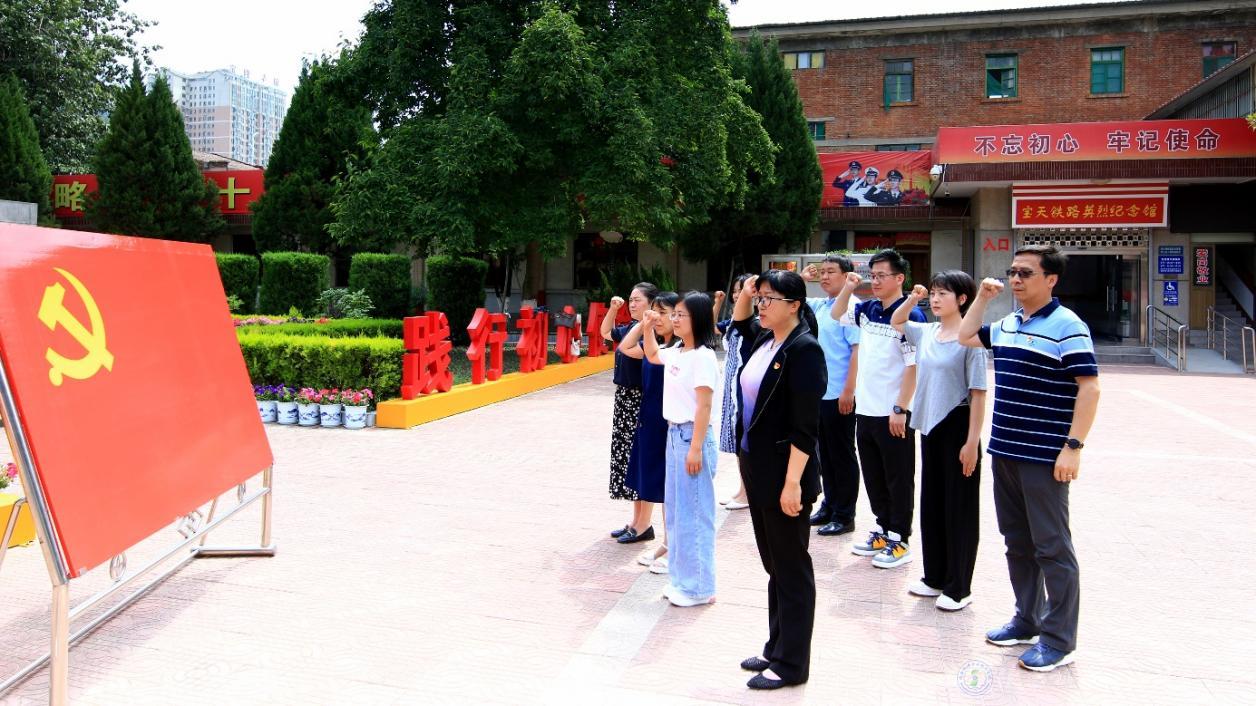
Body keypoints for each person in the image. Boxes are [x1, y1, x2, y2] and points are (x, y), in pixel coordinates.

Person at [959, 245, 1099, 673]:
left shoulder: (1068, 325)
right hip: (1005, 450)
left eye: (1026, 273)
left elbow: (1089, 387)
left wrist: (1072, 447)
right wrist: (983, 298)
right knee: (1017, 542)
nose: (1016, 279)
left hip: (1043, 457)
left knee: (1051, 547)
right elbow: (966, 335)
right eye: (1013, 272)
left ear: (1051, 279)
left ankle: (1059, 640)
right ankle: (1027, 619)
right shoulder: (1007, 324)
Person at [730, 270, 825, 691]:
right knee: (775, 565)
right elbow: (738, 322)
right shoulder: (765, 340)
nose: (761, 305)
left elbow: (806, 427)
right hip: (759, 466)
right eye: (760, 298)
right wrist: (751, 291)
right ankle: (776, 647)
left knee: (791, 568)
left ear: (795, 305)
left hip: (787, 474)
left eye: (770, 299)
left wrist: (793, 484)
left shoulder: (804, 350)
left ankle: (792, 664)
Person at [890, 273, 987, 611]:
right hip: (929, 425)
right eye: (933, 293)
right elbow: (897, 321)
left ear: (962, 299)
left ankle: (959, 587)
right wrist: (912, 298)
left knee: (959, 507)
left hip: (958, 426)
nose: (934, 299)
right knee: (932, 503)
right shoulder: (927, 331)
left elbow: (978, 394)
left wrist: (972, 442)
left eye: (942, 293)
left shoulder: (970, 340)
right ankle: (934, 577)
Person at [831, 248, 925, 568]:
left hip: (893, 412)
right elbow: (837, 314)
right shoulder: (867, 308)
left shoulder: (910, 315)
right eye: (872, 276)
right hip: (867, 409)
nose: (875, 281)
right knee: (874, 475)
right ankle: (883, 530)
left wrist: (900, 408)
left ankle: (900, 538)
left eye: (882, 276)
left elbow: (913, 366)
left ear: (900, 279)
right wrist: (848, 287)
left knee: (898, 477)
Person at [641, 291, 720, 609]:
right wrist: (647, 326)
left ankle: (699, 588)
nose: (673, 319)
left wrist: (696, 448)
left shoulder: (703, 356)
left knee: (695, 515)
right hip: (675, 435)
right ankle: (681, 580)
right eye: (673, 314)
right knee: (676, 513)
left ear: (697, 319)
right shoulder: (677, 351)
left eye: (680, 315)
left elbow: (704, 405)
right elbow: (651, 355)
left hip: (691, 437)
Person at [619, 292, 681, 572]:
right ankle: (667, 543)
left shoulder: (680, 350)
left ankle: (671, 544)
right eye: (654, 311)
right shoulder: (654, 346)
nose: (657, 317)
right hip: (648, 420)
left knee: (669, 486)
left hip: (667, 423)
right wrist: (644, 324)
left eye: (663, 312)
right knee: (657, 482)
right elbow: (625, 346)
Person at [800, 257, 861, 537]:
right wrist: (801, 279)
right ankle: (830, 505)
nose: (824, 277)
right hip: (820, 393)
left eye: (831, 272)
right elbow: (794, 301)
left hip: (839, 393)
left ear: (846, 276)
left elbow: (857, 350)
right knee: (825, 454)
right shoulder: (822, 306)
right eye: (822, 272)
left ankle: (845, 514)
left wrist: (849, 390)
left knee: (842, 454)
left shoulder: (852, 307)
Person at [601, 282, 659, 542]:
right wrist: (613, 309)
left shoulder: (651, 335)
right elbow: (605, 332)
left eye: (638, 300)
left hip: (640, 400)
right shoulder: (631, 329)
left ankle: (644, 524)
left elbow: (627, 348)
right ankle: (636, 522)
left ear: (651, 304)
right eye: (631, 300)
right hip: (625, 400)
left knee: (641, 461)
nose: (632, 304)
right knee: (629, 463)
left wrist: (645, 324)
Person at [713, 275, 755, 511]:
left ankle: (748, 493)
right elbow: (710, 329)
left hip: (745, 388)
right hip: (732, 388)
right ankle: (743, 488)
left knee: (745, 441)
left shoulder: (755, 322)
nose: (737, 295)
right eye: (736, 291)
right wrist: (717, 303)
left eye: (743, 290)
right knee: (738, 440)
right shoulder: (733, 321)